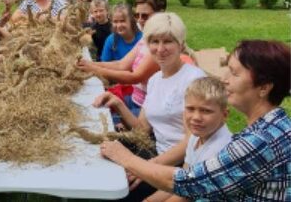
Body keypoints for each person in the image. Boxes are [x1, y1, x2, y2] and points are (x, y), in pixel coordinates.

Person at [101, 40, 291, 202]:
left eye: (234, 73)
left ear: (264, 88)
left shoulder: (257, 142)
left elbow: (188, 183)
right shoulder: (277, 125)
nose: (224, 79)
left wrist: (125, 158)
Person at [95, 12, 205, 201]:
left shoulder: (193, 81)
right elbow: (143, 129)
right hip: (155, 151)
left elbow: (191, 142)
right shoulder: (155, 80)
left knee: (120, 191)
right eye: (154, 41)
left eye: (168, 41)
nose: (160, 49)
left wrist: (145, 167)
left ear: (181, 44)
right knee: (100, 156)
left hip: (181, 166)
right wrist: (119, 104)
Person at [145, 76, 232, 202]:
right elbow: (181, 180)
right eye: (190, 109)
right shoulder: (196, 135)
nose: (196, 117)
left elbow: (185, 196)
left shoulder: (218, 150)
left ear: (224, 115)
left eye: (206, 111)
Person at [77, 0, 165, 115]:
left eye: (145, 16)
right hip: (136, 98)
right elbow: (121, 64)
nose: (140, 20)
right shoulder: (146, 37)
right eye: (137, 15)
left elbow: (135, 77)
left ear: (160, 14)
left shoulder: (160, 44)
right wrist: (89, 64)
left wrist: (93, 68)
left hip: (146, 109)